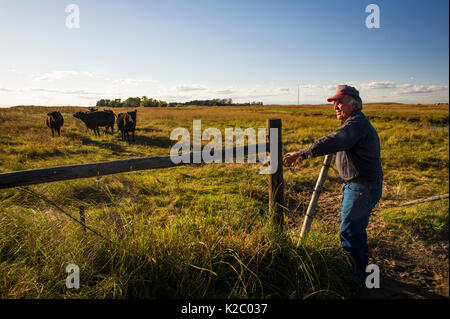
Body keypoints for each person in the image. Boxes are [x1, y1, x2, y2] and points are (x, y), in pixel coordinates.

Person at [283, 85, 383, 282]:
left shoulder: (356, 124)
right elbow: (338, 140)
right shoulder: (355, 123)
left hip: (361, 187)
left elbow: (335, 140)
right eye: (334, 103)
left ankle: (353, 277)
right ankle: (363, 273)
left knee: (349, 231)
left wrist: (300, 154)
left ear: (354, 104)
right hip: (362, 186)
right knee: (356, 230)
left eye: (340, 102)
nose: (336, 106)